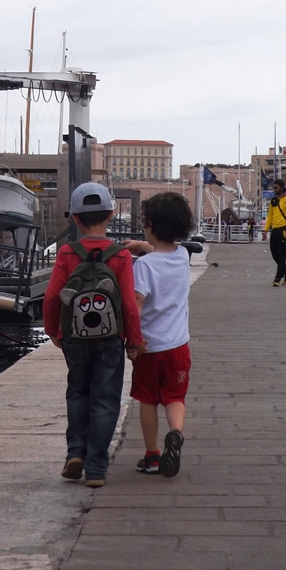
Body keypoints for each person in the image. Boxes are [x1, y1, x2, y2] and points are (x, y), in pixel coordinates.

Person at [43, 182, 146, 488]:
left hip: (74, 338)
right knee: (105, 398)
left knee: (77, 392)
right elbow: (128, 302)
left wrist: (54, 331)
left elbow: (51, 298)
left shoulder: (66, 252)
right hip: (110, 338)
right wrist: (134, 339)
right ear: (112, 214)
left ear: (74, 218)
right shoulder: (121, 256)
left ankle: (75, 451)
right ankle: (96, 468)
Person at [124, 192, 193, 479]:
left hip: (150, 348)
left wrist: (133, 341)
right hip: (179, 346)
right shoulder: (183, 256)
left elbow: (136, 308)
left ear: (150, 225)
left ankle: (152, 455)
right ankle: (175, 434)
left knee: (148, 400)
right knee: (175, 397)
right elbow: (162, 253)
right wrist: (142, 245)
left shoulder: (143, 267)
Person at [263, 179, 286, 287]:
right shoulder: (273, 201)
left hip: (285, 230)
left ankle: (277, 278)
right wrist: (265, 230)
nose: (274, 190)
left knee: (282, 255)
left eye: (276, 187)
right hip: (275, 230)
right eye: (273, 188)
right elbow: (270, 216)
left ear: (282, 188)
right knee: (274, 254)